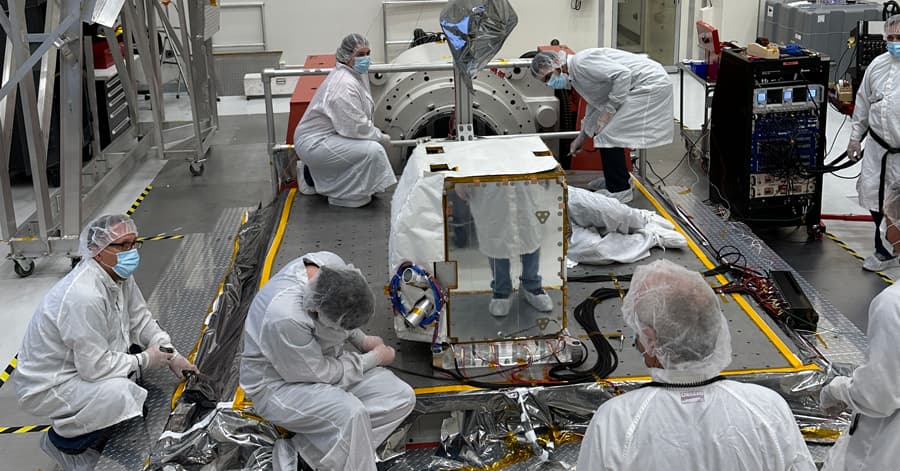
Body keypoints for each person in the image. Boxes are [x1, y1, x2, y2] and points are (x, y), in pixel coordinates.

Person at [576, 259, 816, 470]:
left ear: (650, 340)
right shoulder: (768, 407)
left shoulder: (617, 421)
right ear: (715, 328)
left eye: (638, 333)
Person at [15, 214, 198, 470]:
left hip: (83, 362)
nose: (130, 251)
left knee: (135, 383)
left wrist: (171, 354)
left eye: (133, 243)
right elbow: (94, 368)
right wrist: (146, 359)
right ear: (97, 251)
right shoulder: (83, 295)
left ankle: (85, 424)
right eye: (121, 245)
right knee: (121, 395)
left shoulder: (118, 276)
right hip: (51, 382)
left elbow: (141, 319)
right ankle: (65, 442)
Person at [240, 252, 415, 471]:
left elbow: (342, 308)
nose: (344, 331)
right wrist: (372, 359)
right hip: (278, 385)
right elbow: (319, 374)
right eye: (341, 327)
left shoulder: (331, 267)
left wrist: (362, 340)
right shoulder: (286, 317)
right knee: (351, 414)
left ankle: (302, 455)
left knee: (400, 397)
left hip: (318, 364)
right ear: (315, 311)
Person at [819, 181, 900, 470]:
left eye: (889, 218)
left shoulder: (893, 304)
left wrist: (839, 390)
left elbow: (878, 396)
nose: (886, 225)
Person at [530, 48, 674, 204]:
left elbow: (622, 75)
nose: (550, 82)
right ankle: (617, 180)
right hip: (637, 85)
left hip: (651, 84)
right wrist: (582, 137)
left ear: (557, 63)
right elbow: (595, 104)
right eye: (545, 81)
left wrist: (610, 110)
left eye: (549, 77)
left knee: (609, 134)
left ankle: (620, 190)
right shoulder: (575, 75)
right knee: (605, 131)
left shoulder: (581, 64)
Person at [293, 33, 397, 207]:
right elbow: (356, 128)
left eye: (367, 53)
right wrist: (380, 137)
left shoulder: (355, 74)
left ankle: (313, 174)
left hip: (329, 136)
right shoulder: (343, 85)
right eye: (360, 55)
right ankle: (342, 195)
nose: (366, 58)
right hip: (314, 143)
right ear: (347, 57)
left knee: (368, 149)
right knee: (373, 150)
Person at [847, 14, 900, 272]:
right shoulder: (877, 66)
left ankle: (896, 246)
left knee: (897, 202)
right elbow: (863, 104)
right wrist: (855, 138)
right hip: (878, 149)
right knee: (873, 196)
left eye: (899, 38)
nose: (894, 42)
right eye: (890, 38)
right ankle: (884, 251)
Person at [567, 186, 686, 265]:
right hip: (551, 229)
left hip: (557, 194)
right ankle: (650, 237)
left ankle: (642, 219)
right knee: (597, 250)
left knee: (613, 211)